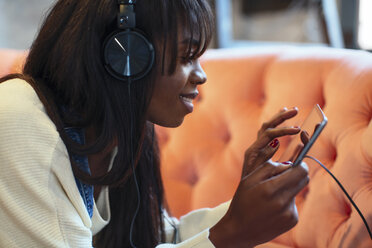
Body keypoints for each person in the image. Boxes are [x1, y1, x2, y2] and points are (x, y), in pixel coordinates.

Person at [0, 0, 309, 247]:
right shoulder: (20, 118)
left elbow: (160, 238)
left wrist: (245, 208)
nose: (201, 75)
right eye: (188, 55)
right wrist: (232, 233)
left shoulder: (114, 137)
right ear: (126, 56)